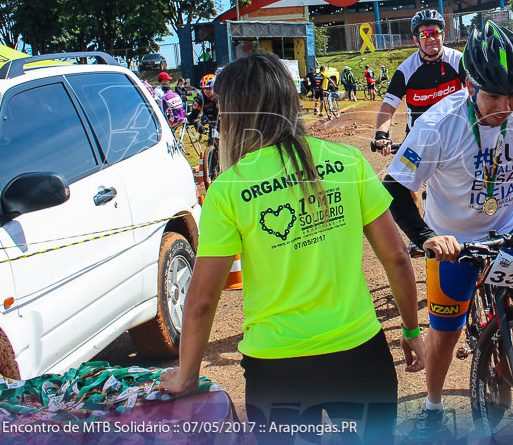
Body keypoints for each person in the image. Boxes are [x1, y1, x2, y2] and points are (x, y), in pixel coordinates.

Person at [160, 53, 425, 442]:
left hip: (277, 368)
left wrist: (186, 376)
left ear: (235, 113)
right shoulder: (348, 162)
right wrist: (411, 328)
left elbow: (200, 301)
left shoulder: (229, 188)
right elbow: (398, 258)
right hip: (359, 355)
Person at [381, 22, 513, 439]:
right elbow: (394, 187)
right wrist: (426, 237)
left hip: (512, 226)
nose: (505, 106)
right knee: (446, 336)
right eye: (493, 96)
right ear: (470, 84)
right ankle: (434, 407)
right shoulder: (439, 124)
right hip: (455, 240)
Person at [374, 9, 466, 155]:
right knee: (397, 177)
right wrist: (381, 135)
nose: (431, 38)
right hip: (418, 139)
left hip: (454, 136)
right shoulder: (405, 70)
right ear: (416, 40)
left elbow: (478, 94)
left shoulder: (459, 60)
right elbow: (388, 108)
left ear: (443, 35)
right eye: (425, 34)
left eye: (435, 33)